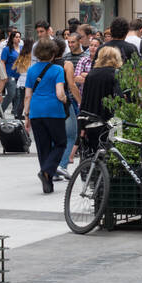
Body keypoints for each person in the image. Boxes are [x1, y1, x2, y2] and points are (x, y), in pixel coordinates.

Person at [23, 38, 69, 194]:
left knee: (43, 146)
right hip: (53, 111)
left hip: (36, 111)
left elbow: (27, 95)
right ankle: (47, 171)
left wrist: (26, 115)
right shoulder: (57, 70)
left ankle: (48, 182)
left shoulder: (31, 70)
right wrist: (65, 99)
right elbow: (60, 93)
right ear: (53, 54)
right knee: (61, 142)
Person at [79, 45, 124, 159]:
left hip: (91, 120)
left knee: (94, 152)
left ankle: (95, 174)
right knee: (113, 150)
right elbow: (119, 98)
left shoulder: (91, 74)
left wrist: (82, 125)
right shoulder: (116, 73)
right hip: (112, 120)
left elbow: (85, 99)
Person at [56, 36, 84, 180]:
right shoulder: (66, 64)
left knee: (54, 137)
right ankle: (62, 165)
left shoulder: (45, 64)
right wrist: (80, 102)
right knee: (71, 134)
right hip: (64, 100)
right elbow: (72, 85)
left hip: (47, 102)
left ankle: (52, 168)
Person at [0, 31, 22, 113]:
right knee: (12, 93)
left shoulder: (22, 48)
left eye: (19, 37)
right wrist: (4, 74)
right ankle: (1, 110)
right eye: (16, 37)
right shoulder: (7, 49)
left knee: (18, 95)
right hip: (9, 74)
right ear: (12, 38)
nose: (18, 39)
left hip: (19, 75)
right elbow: (2, 62)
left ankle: (15, 112)